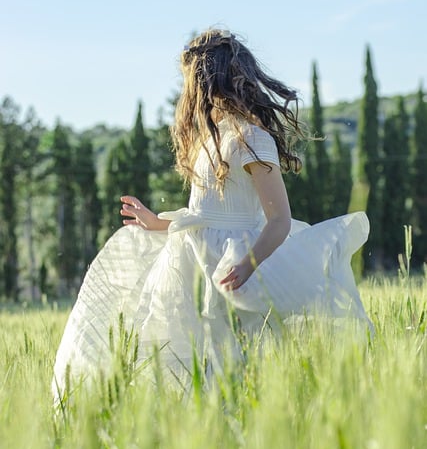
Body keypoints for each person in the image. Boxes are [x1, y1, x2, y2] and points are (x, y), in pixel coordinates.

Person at [53, 28, 372, 397]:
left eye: (192, 83)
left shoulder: (252, 139)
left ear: (211, 82)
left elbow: (280, 219)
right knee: (190, 355)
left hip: (235, 265)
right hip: (193, 263)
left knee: (236, 355)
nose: (188, 94)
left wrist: (249, 263)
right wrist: (158, 222)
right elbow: (201, 213)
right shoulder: (210, 140)